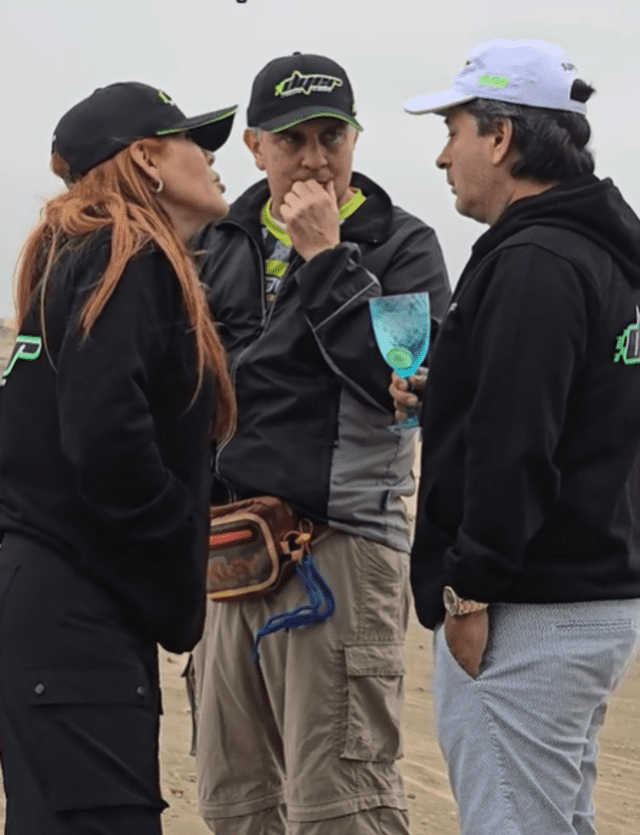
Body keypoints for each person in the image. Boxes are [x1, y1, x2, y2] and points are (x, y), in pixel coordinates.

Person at [188, 52, 451, 835]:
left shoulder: (401, 243)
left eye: (331, 136)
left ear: (357, 139)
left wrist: (326, 260)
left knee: (343, 806)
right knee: (236, 804)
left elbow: (399, 387)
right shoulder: (214, 241)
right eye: (292, 139)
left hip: (338, 549)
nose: (314, 159)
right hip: (226, 553)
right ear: (254, 147)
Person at [401, 38, 640, 835]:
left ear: (500, 137)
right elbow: (577, 408)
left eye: (454, 130)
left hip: (527, 607)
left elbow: (516, 444)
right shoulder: (601, 255)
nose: (443, 156)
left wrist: (469, 588)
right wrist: (457, 390)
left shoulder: (534, 259)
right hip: (591, 591)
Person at [0, 82, 238, 835]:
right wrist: (175, 547)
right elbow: (106, 440)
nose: (212, 158)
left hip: (42, 596)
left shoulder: (69, 258)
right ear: (147, 159)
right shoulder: (129, 253)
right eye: (197, 141)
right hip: (77, 606)